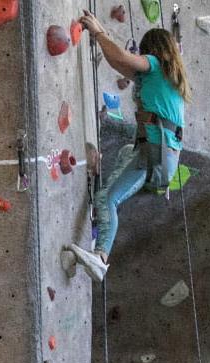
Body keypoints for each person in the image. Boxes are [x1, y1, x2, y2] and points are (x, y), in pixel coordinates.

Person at [65, 9, 191, 283]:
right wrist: (100, 39)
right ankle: (101, 189)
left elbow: (123, 58)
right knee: (123, 153)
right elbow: (118, 64)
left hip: (153, 153)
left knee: (106, 199)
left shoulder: (156, 65)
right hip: (160, 156)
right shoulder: (164, 80)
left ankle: (99, 258)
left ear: (154, 50)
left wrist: (99, 31)